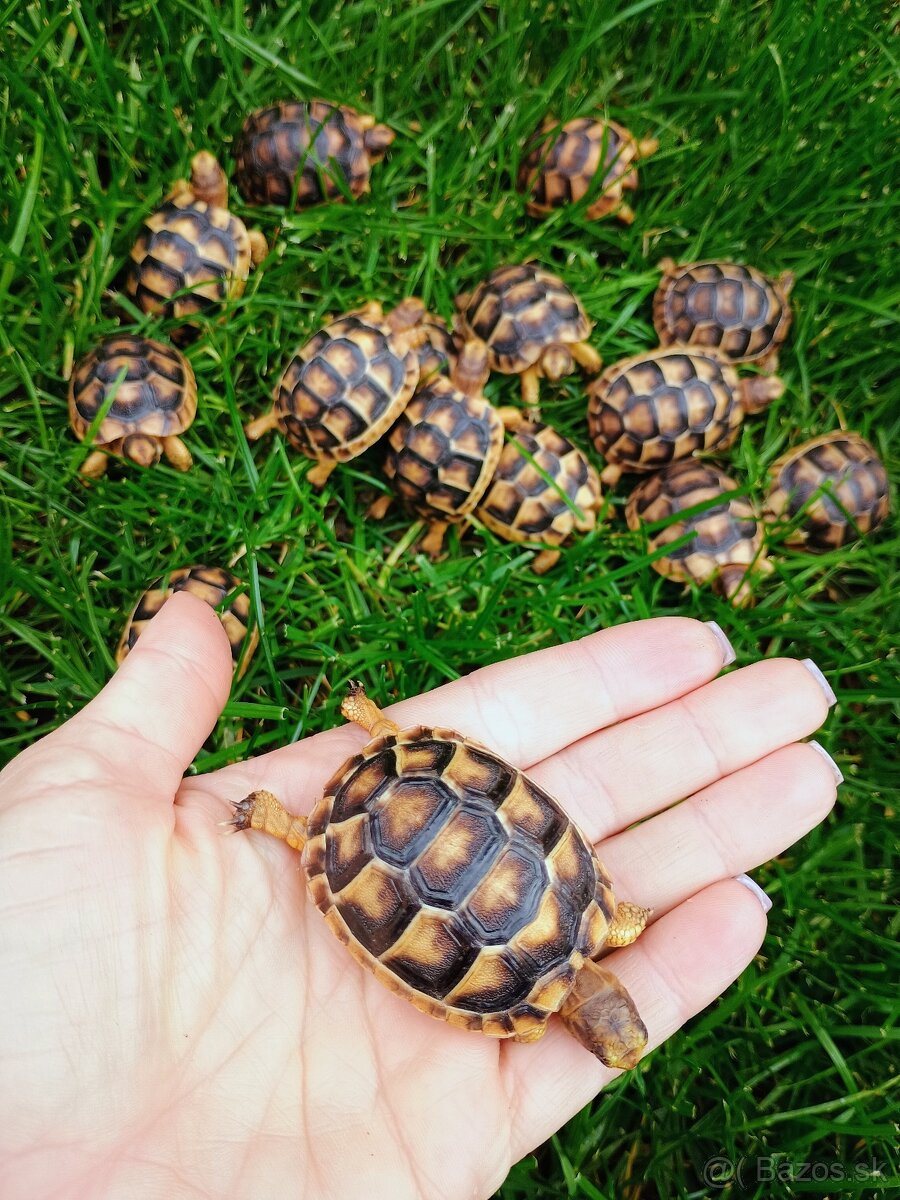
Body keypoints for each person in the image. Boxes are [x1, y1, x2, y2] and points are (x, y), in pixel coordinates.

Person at [0, 593, 840, 1199]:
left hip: (425, 806)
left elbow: (535, 837)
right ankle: (299, 821)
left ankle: (309, 811)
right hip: (410, 821)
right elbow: (447, 952)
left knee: (409, 864)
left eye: (608, 1038)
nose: (607, 1036)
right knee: (383, 868)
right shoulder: (550, 964)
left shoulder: (591, 907)